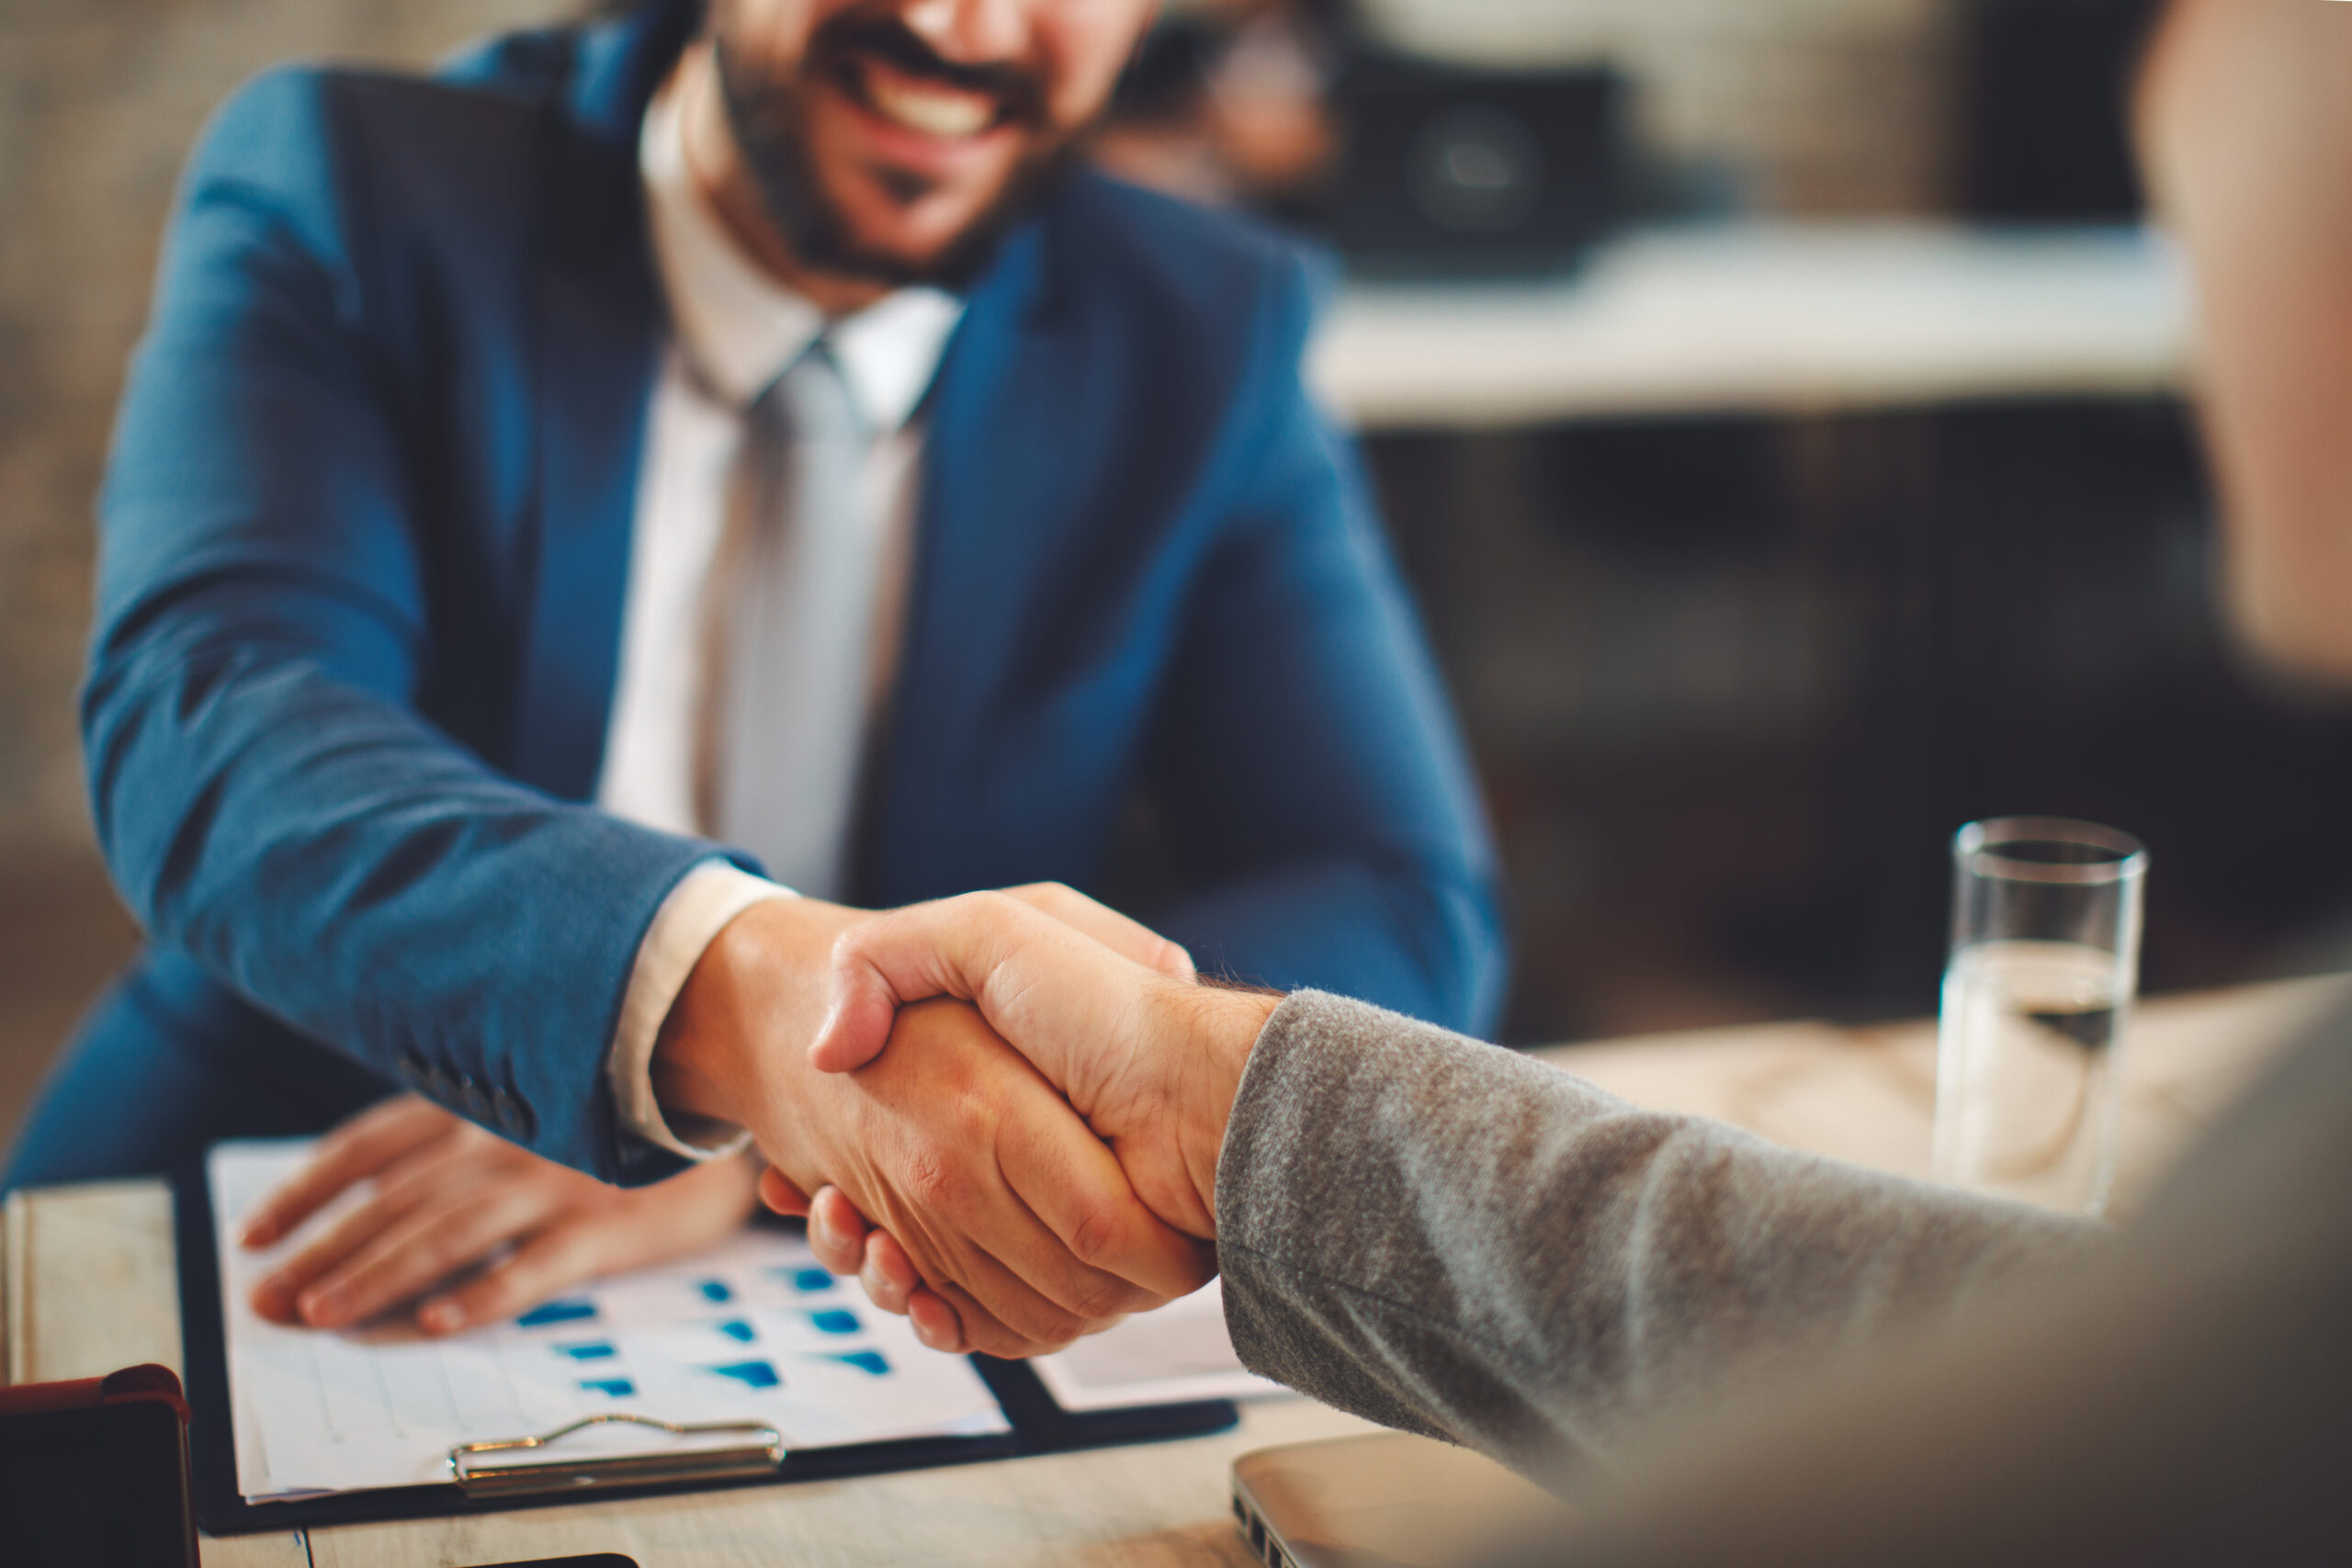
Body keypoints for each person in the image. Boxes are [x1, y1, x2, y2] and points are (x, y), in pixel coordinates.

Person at [786, 0, 2352, 1554]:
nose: (2171, 87)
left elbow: (2096, 1432)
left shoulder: (1209, 306)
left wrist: (780, 1086)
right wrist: (1217, 1113)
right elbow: (2053, 1360)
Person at [1, 0, 1508, 1357]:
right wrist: (734, 1026)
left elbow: (1392, 893)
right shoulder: (355, 188)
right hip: (307, 1186)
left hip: (858, 1291)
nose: (956, 24)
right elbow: (208, 719)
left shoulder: (1209, 328)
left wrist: (764, 1155)